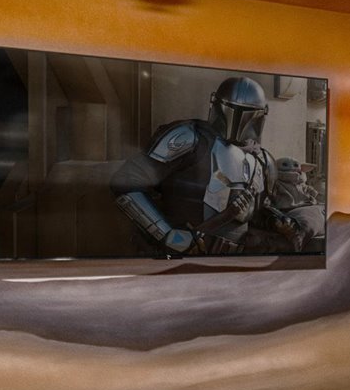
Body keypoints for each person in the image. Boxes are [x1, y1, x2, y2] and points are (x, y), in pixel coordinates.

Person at [110, 75, 303, 255]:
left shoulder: (263, 161)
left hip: (236, 261)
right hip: (180, 258)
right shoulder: (189, 138)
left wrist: (277, 221)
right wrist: (168, 235)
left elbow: (255, 213)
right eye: (232, 108)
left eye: (246, 112)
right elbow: (126, 184)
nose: (237, 119)